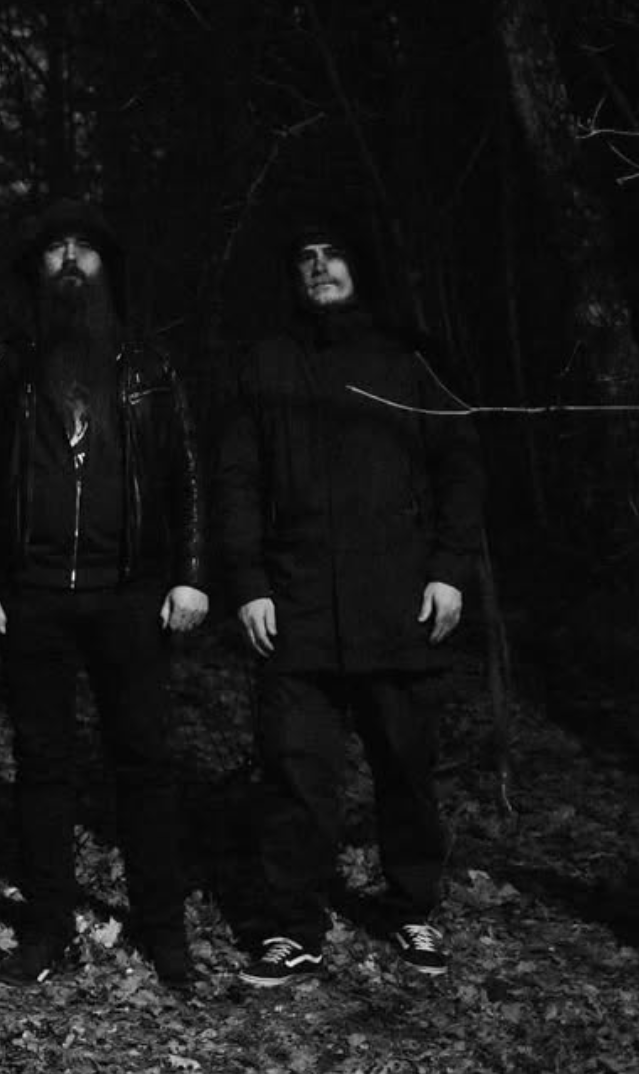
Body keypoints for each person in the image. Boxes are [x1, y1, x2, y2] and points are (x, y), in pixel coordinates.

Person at [215, 217, 483, 986]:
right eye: (304, 257)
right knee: (295, 774)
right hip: (294, 604)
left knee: (405, 767)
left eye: (332, 254)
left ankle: (412, 908)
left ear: (359, 266)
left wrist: (448, 570)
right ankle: (292, 928)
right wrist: (248, 584)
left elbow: (459, 466)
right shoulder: (266, 361)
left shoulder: (407, 357)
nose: (318, 268)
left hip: (397, 601)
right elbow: (237, 479)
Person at [0, 199, 207, 988]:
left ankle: (163, 930)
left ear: (106, 267)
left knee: (145, 765)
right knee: (41, 768)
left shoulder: (146, 363)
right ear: (34, 269)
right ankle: (47, 928)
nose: (68, 260)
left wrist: (191, 575)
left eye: (83, 249)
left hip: (129, 594)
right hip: (30, 596)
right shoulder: (4, 364)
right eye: (55, 248)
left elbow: (185, 472)